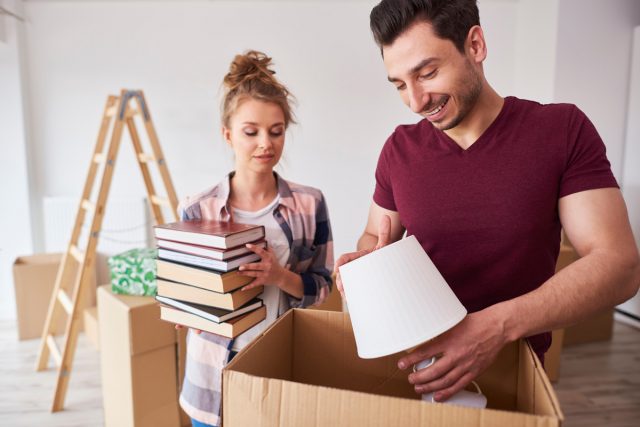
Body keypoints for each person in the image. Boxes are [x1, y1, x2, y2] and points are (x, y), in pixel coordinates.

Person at [335, 0, 640, 404]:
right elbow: (376, 233)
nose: (415, 101)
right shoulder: (398, 149)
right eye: (399, 84)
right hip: (414, 379)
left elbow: (620, 266)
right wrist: (366, 264)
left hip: (514, 381)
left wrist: (495, 326)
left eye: (427, 73)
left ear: (475, 45)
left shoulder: (561, 130)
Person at [177, 50, 333, 427]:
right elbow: (184, 291)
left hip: (278, 369)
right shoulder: (198, 209)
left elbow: (324, 285)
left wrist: (281, 277)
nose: (266, 143)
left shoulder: (310, 204)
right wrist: (183, 306)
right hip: (211, 378)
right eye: (251, 132)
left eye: (276, 131)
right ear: (228, 134)